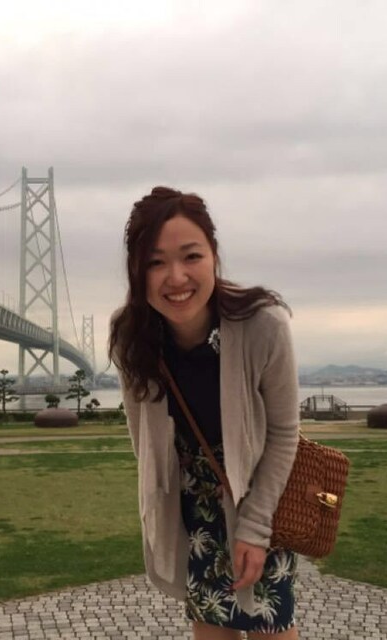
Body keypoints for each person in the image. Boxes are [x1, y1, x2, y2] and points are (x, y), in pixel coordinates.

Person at [109, 187, 300, 640]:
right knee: (210, 625)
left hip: (259, 495)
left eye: (191, 256)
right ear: (137, 270)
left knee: (271, 625)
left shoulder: (263, 324)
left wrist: (255, 527)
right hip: (193, 510)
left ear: (213, 255)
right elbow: (144, 441)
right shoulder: (131, 333)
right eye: (155, 262)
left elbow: (284, 432)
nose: (176, 277)